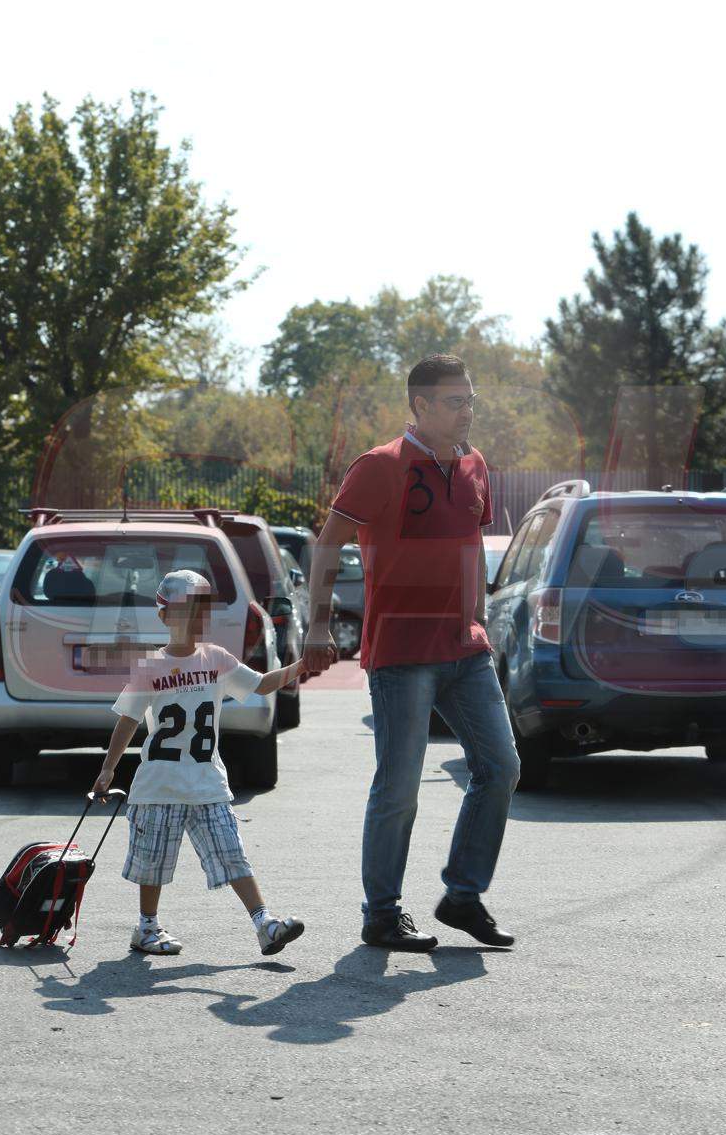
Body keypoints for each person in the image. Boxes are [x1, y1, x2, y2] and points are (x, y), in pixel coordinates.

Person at [303, 354, 521, 952]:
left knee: (500, 767)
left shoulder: (475, 466)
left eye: (471, 399)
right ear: (420, 406)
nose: (467, 411)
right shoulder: (378, 467)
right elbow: (327, 548)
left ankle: (462, 897)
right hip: (401, 651)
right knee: (399, 786)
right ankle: (382, 913)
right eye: (455, 401)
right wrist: (317, 627)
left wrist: (479, 620)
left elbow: (471, 548)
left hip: (465, 650)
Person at [92, 569, 306, 957]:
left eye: (201, 611)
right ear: (164, 617)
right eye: (186, 610)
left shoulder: (216, 659)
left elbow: (259, 684)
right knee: (152, 862)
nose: (195, 619)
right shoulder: (150, 667)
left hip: (207, 780)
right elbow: (128, 719)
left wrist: (300, 666)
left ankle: (265, 924)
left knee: (232, 853)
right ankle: (147, 927)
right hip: (159, 784)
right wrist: (108, 768)